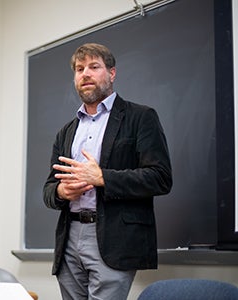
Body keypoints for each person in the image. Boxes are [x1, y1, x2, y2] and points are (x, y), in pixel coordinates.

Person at [43, 43, 172, 300]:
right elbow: (48, 190)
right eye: (79, 69)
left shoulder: (140, 117)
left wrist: (103, 177)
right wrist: (61, 191)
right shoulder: (66, 132)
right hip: (69, 238)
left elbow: (160, 178)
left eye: (94, 67)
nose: (85, 74)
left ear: (111, 73)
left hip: (114, 238)